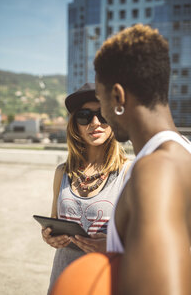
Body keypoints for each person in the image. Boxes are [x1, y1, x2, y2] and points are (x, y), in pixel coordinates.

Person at [93, 24, 191, 294]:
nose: (102, 113)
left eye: (101, 101)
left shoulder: (157, 169)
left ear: (117, 96)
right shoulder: (181, 151)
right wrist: (118, 245)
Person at [42, 83, 131, 294]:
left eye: (103, 115)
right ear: (75, 125)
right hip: (63, 279)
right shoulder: (62, 172)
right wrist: (49, 236)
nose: (95, 123)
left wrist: (112, 244)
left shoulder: (129, 172)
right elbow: (54, 221)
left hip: (106, 281)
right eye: (84, 116)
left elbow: (147, 238)